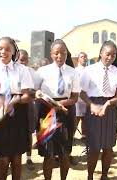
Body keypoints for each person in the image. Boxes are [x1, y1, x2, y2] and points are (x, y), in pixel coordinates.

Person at [0, 37, 34, 180]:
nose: (3, 51)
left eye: (7, 49)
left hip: (18, 115)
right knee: (3, 159)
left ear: (13, 51)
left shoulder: (22, 70)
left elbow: (28, 95)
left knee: (17, 159)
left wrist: (14, 100)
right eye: (0, 48)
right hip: (0, 117)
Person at [36, 39, 79, 180]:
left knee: (64, 153)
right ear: (51, 54)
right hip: (46, 112)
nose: (60, 56)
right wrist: (51, 104)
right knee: (48, 154)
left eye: (63, 53)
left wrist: (62, 104)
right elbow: (36, 93)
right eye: (56, 53)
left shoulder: (73, 72)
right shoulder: (42, 72)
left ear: (67, 54)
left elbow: (75, 97)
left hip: (65, 112)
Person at [80, 40, 117, 180]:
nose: (110, 57)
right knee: (94, 147)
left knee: (108, 147)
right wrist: (91, 105)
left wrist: (108, 104)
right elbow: (82, 92)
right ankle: (90, 176)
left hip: (109, 109)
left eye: (114, 55)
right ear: (101, 53)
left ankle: (104, 175)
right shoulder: (89, 70)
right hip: (93, 107)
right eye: (108, 54)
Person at [18, 49, 40, 169]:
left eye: (25, 59)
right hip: (15, 105)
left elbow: (36, 89)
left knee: (29, 131)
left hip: (29, 105)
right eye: (21, 59)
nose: (23, 62)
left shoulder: (32, 72)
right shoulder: (13, 71)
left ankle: (29, 158)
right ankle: (17, 158)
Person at [74, 52, 88, 141]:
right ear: (78, 59)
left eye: (85, 57)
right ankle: (72, 135)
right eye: (82, 57)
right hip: (78, 97)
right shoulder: (75, 70)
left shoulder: (89, 70)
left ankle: (84, 135)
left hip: (86, 97)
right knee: (76, 118)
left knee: (85, 118)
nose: (84, 58)